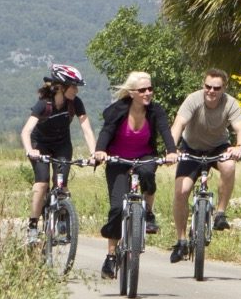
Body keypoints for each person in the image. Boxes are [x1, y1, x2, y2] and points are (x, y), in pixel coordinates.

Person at [92, 70, 178, 279]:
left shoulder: (156, 111)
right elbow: (106, 131)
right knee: (116, 208)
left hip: (144, 156)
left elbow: (165, 131)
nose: (148, 93)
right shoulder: (117, 111)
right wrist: (100, 150)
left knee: (148, 173)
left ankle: (148, 213)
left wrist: (172, 151)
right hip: (117, 160)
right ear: (131, 93)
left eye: (150, 88)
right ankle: (111, 256)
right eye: (142, 90)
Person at [168, 67, 241, 262]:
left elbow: (240, 128)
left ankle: (220, 213)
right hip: (191, 147)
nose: (211, 91)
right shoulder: (193, 99)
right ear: (203, 85)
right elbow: (179, 124)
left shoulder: (230, 103)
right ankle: (181, 240)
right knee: (181, 191)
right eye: (208, 86)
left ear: (223, 89)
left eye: (216, 88)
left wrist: (240, 146)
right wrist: (171, 149)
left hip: (218, 147)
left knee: (229, 166)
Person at [19, 64, 96, 243]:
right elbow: (26, 131)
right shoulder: (44, 105)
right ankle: (32, 226)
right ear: (61, 87)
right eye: (73, 86)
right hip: (41, 146)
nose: (76, 90)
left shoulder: (75, 103)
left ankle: (62, 219)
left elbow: (87, 130)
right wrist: (30, 151)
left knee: (61, 184)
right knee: (42, 183)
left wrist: (94, 153)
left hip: (62, 145)